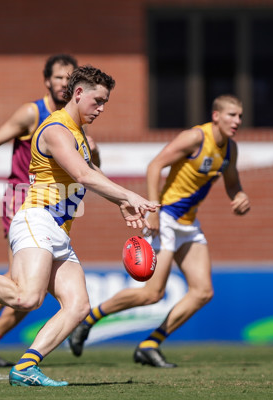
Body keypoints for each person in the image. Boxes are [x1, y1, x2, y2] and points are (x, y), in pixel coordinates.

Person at [0, 66, 159, 386]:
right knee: (27, 299)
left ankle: (26, 366)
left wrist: (122, 204)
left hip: (59, 232)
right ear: (79, 93)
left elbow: (90, 177)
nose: (101, 109)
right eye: (98, 101)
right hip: (36, 219)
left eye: (105, 103)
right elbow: (84, 176)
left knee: (78, 305)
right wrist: (131, 195)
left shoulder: (78, 133)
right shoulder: (56, 129)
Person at [68, 94, 251, 368]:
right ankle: (89, 319)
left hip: (188, 225)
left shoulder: (230, 149)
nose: (237, 121)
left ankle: (150, 344)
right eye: (231, 115)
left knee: (203, 292)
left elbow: (232, 183)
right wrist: (152, 211)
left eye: (239, 116)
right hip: (165, 218)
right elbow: (154, 165)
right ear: (216, 116)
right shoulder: (195, 138)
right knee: (151, 294)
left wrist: (239, 196)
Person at [0, 54, 99, 369]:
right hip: (23, 201)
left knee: (28, 288)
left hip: (54, 209)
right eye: (58, 77)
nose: (63, 82)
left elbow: (89, 169)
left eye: (68, 77)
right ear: (47, 81)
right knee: (21, 284)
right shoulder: (34, 113)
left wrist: (92, 150)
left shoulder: (75, 122)